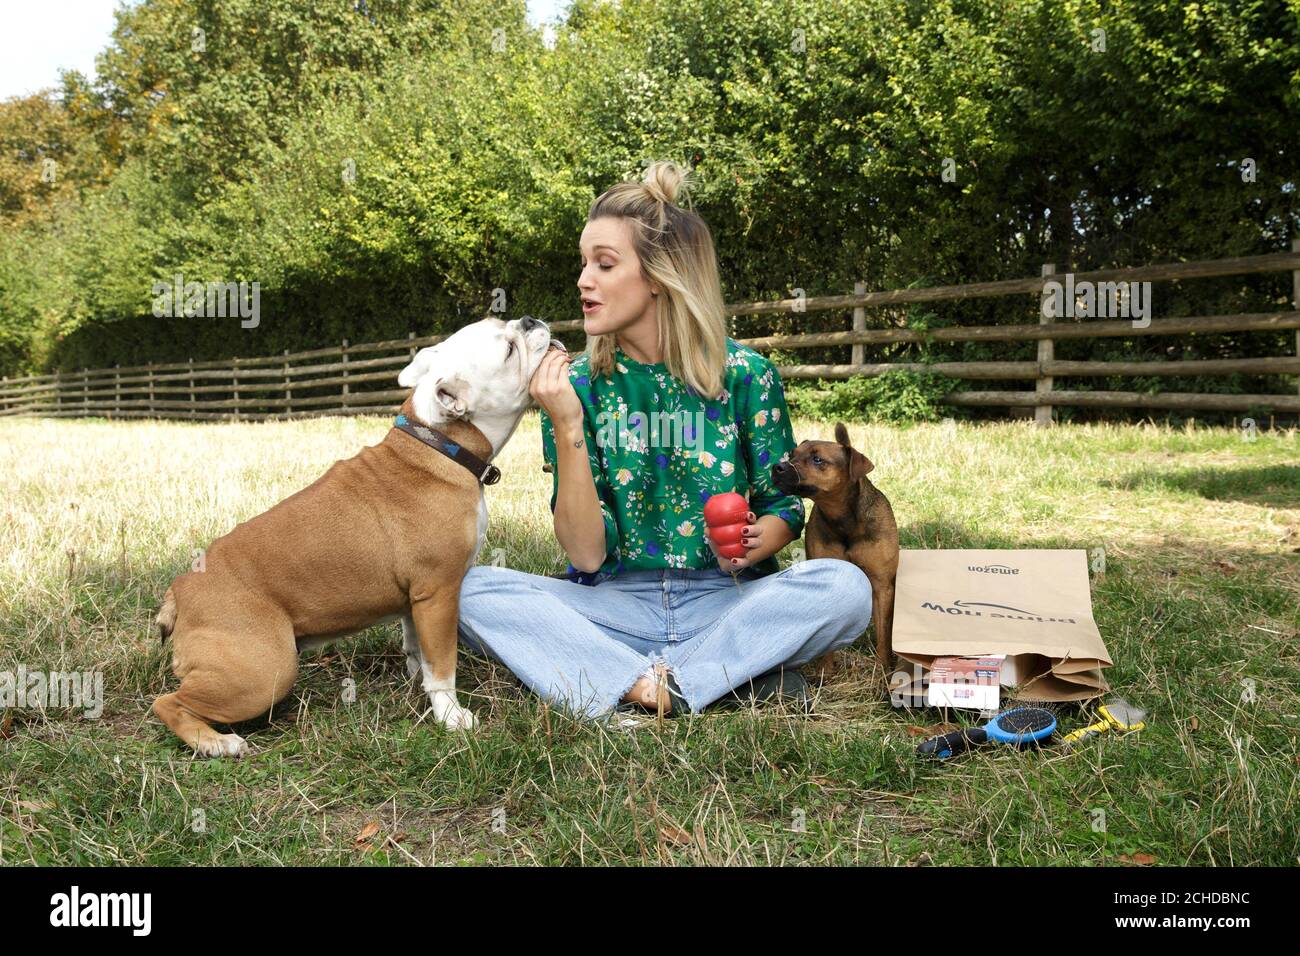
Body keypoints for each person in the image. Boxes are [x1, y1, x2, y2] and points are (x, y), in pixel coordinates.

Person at [456, 160, 873, 719]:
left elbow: (782, 506)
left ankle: (636, 673)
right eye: (584, 264)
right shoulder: (575, 386)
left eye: (604, 264)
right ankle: (691, 682)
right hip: (612, 603)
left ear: (658, 276)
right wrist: (567, 423)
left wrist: (751, 543)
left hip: (726, 599)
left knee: (845, 588)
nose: (584, 280)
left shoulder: (746, 374)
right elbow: (584, 553)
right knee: (467, 591)